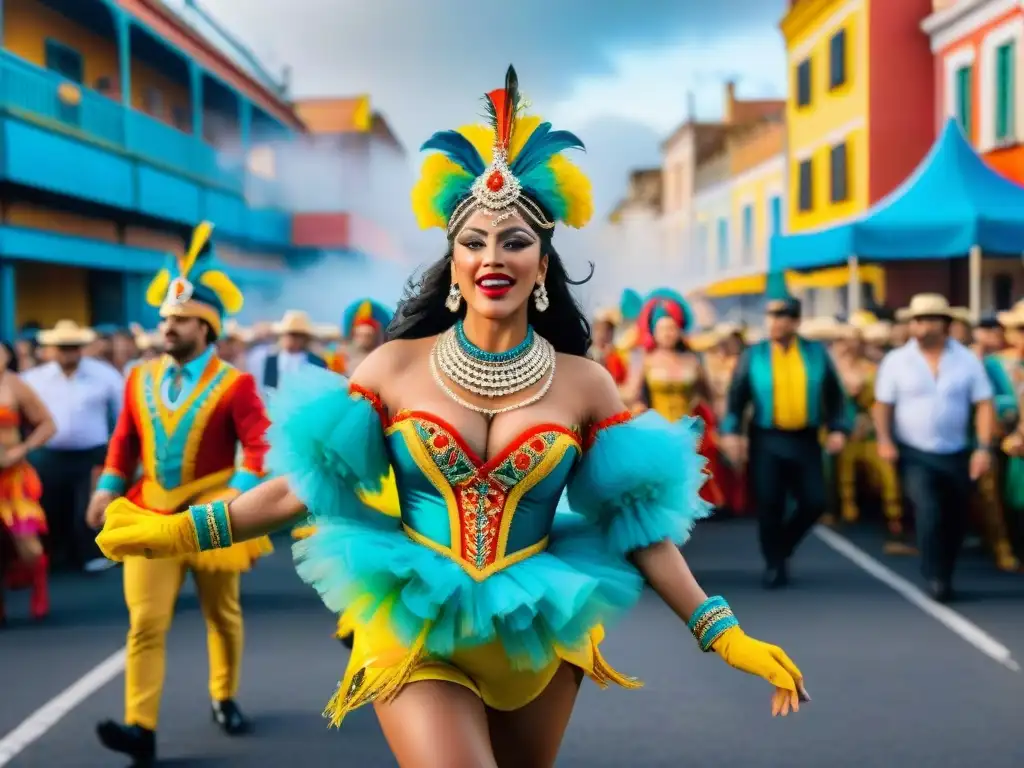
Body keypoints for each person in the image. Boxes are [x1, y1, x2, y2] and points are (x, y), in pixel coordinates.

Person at [94, 66, 809, 767]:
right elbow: (295, 490)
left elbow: (642, 532)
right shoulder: (394, 367)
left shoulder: (586, 384)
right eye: (473, 241)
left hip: (540, 629)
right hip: (415, 623)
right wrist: (173, 531)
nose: (492, 256)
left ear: (542, 264)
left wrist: (722, 632)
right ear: (453, 262)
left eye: (514, 240)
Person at [84, 221, 273, 766]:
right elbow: (124, 443)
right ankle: (140, 727)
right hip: (149, 511)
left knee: (223, 614)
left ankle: (224, 695)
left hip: (212, 512)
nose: (168, 326)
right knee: (144, 622)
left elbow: (258, 448)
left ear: (207, 327)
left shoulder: (235, 383)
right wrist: (106, 489)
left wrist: (234, 502)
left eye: (181, 319)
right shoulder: (137, 379)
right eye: (166, 317)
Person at [722, 294, 850, 588]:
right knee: (770, 503)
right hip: (767, 437)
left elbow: (834, 394)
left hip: (806, 438)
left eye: (782, 316)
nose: (775, 322)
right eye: (770, 316)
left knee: (815, 501)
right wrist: (731, 432)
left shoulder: (815, 353)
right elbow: (736, 397)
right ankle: (774, 563)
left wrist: (838, 428)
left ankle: (782, 547)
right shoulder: (754, 355)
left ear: (795, 321)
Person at [873, 294, 995, 602]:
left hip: (955, 450)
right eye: (916, 319)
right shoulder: (896, 360)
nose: (920, 325)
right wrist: (885, 440)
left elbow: (983, 404)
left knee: (955, 515)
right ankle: (935, 575)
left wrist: (982, 447)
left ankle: (947, 569)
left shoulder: (967, 359)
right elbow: (882, 406)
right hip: (915, 451)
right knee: (929, 509)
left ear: (945, 324)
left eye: (928, 319)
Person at [22, 320, 123, 573]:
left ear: (82, 348)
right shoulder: (34, 379)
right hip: (49, 454)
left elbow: (121, 413)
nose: (69, 352)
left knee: (87, 509)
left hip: (91, 453)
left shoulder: (104, 374)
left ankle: (90, 555)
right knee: (50, 506)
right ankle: (56, 556)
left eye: (74, 347)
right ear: (52, 349)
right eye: (63, 347)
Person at [627, 289, 726, 508]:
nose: (668, 333)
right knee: (660, 495)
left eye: (672, 327)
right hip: (656, 435)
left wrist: (720, 427)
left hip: (688, 436)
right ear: (653, 331)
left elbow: (710, 396)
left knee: (684, 495)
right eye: (662, 328)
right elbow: (629, 394)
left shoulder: (692, 360)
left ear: (680, 329)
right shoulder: (646, 360)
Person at [0, 341, 56, 624]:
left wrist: (21, 449)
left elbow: (47, 424)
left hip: (12, 477)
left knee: (27, 542)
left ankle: (39, 589)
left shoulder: (15, 386)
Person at [329, 299, 392, 375]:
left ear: (375, 336)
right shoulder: (339, 354)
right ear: (354, 333)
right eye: (360, 335)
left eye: (368, 335)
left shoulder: (383, 358)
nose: (364, 338)